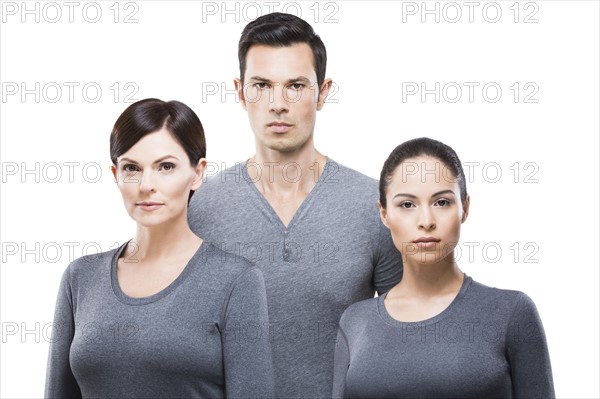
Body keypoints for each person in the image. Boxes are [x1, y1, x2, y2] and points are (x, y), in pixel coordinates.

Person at [187, 12, 403, 398]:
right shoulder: (198, 210)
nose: (278, 104)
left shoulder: (375, 209)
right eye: (262, 85)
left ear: (322, 92)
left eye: (296, 86)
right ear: (240, 93)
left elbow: (404, 342)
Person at [44, 98, 274, 398]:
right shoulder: (80, 277)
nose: (146, 184)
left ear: (198, 173)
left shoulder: (236, 281)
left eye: (165, 166)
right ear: (116, 176)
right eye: (132, 168)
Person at [332, 137, 555, 398]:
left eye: (441, 202)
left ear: (465, 208)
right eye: (407, 205)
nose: (426, 221)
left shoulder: (512, 313)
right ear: (384, 214)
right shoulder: (355, 321)